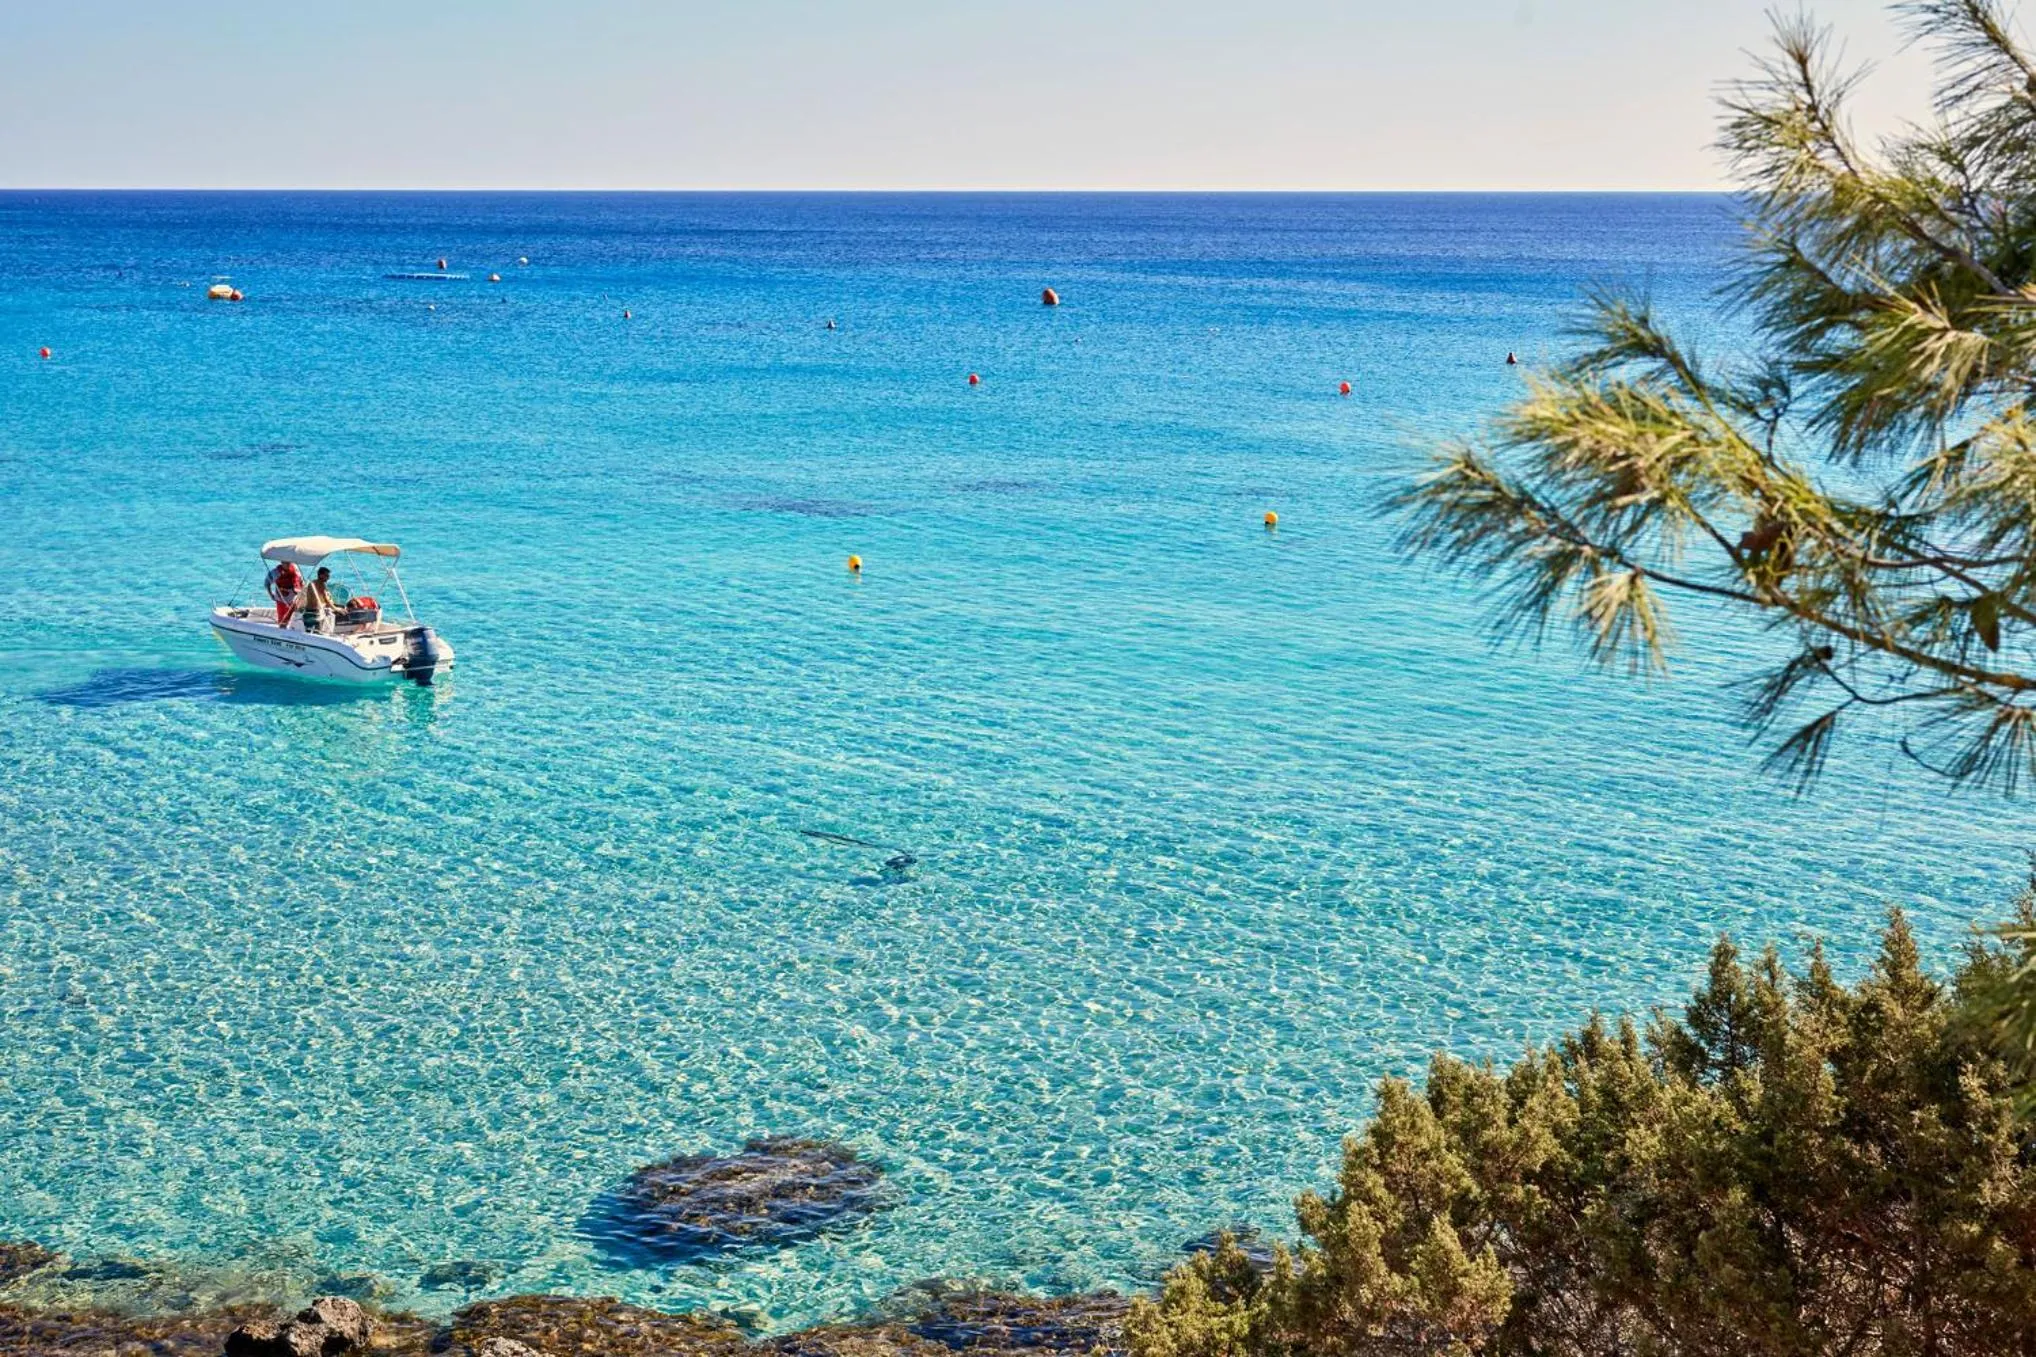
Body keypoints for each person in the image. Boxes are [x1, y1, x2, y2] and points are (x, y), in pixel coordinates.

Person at [299, 566, 340, 635]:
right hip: (315, 614)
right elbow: (326, 599)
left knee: (309, 633)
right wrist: (336, 609)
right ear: (320, 575)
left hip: (308, 612)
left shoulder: (312, 583)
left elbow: (317, 599)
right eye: (326, 575)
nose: (328, 577)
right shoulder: (321, 584)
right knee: (316, 633)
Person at [266, 559, 301, 628]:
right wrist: (271, 594)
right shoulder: (276, 572)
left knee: (294, 618)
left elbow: (301, 581)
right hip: (281, 599)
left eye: (289, 562)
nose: (288, 564)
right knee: (282, 619)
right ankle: (281, 630)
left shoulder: (295, 570)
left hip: (293, 600)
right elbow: (266, 583)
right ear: (281, 562)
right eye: (286, 563)